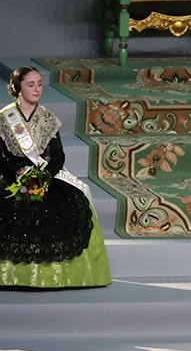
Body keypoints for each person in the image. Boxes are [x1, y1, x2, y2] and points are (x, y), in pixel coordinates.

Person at [0, 66, 110, 288]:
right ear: (18, 88)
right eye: (31, 85)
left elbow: (58, 156)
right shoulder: (4, 118)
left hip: (43, 173)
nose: (37, 89)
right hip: (11, 173)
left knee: (75, 199)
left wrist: (44, 176)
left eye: (40, 84)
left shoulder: (48, 118)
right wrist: (18, 172)